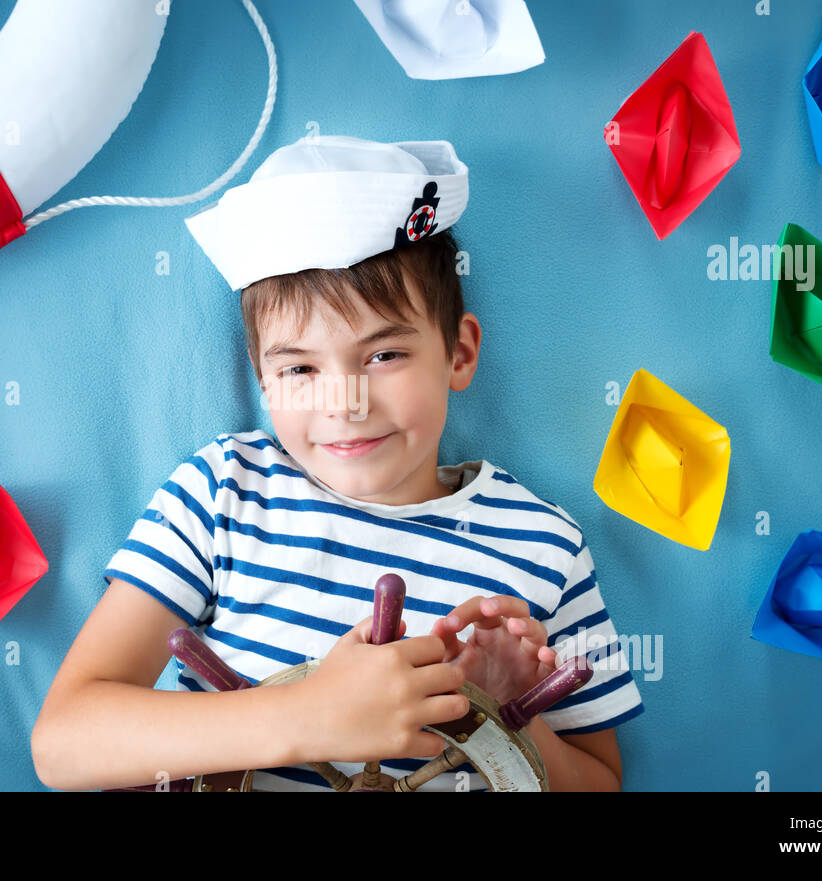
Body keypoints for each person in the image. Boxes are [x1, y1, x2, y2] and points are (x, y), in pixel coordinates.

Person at [31, 135, 644, 791]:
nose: (345, 404)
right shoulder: (223, 494)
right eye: (299, 367)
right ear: (263, 383)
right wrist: (309, 714)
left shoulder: (548, 547)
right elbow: (64, 741)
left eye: (383, 355)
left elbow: (603, 782)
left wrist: (505, 719)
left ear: (460, 353)